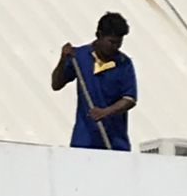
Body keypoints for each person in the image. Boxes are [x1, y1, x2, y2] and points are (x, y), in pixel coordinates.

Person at [50, 11, 138, 150]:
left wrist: (105, 112)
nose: (115, 47)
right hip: (84, 141)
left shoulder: (124, 63)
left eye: (119, 42)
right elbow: (56, 84)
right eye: (111, 42)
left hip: (115, 143)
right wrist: (63, 60)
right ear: (99, 35)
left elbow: (130, 99)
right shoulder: (78, 57)